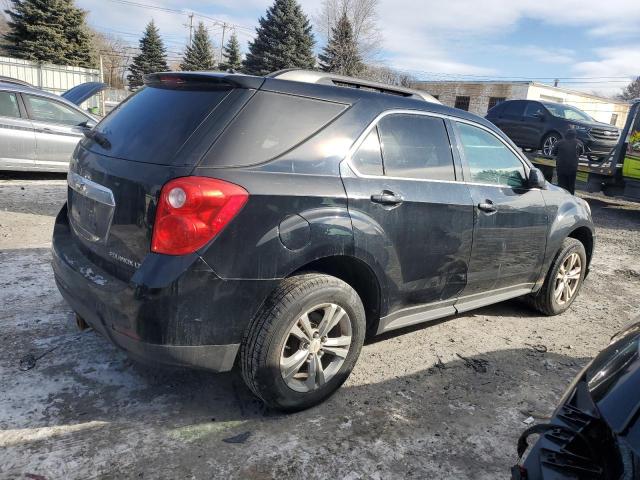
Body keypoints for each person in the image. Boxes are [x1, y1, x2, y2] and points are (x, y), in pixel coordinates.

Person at [551, 129, 579, 194]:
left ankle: (562, 199)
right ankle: (570, 199)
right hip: (572, 168)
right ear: (575, 135)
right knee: (571, 186)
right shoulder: (579, 143)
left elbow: (553, 152)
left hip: (561, 168)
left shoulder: (559, 142)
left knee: (561, 186)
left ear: (566, 134)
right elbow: (582, 152)